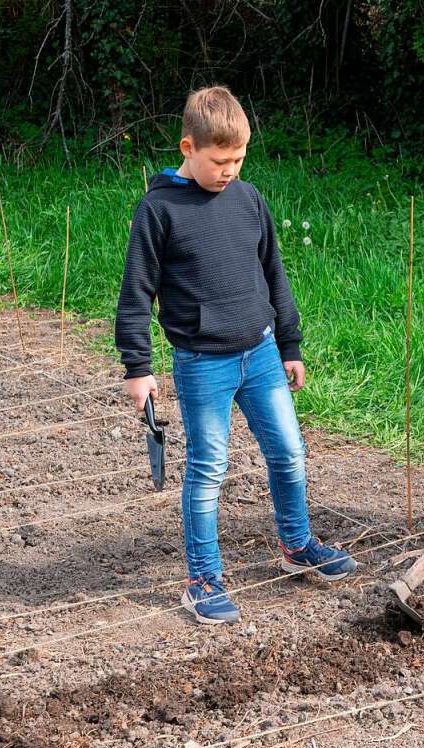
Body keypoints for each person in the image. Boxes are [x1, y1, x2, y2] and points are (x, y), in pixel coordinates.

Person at [115, 85, 356, 625]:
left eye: (239, 159)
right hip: (203, 361)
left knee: (290, 452)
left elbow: (273, 272)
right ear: (187, 147)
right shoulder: (159, 210)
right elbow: (136, 291)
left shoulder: (248, 200)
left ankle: (297, 545)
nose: (229, 170)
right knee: (208, 469)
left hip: (262, 352)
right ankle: (203, 578)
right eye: (219, 160)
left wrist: (289, 343)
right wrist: (138, 367)